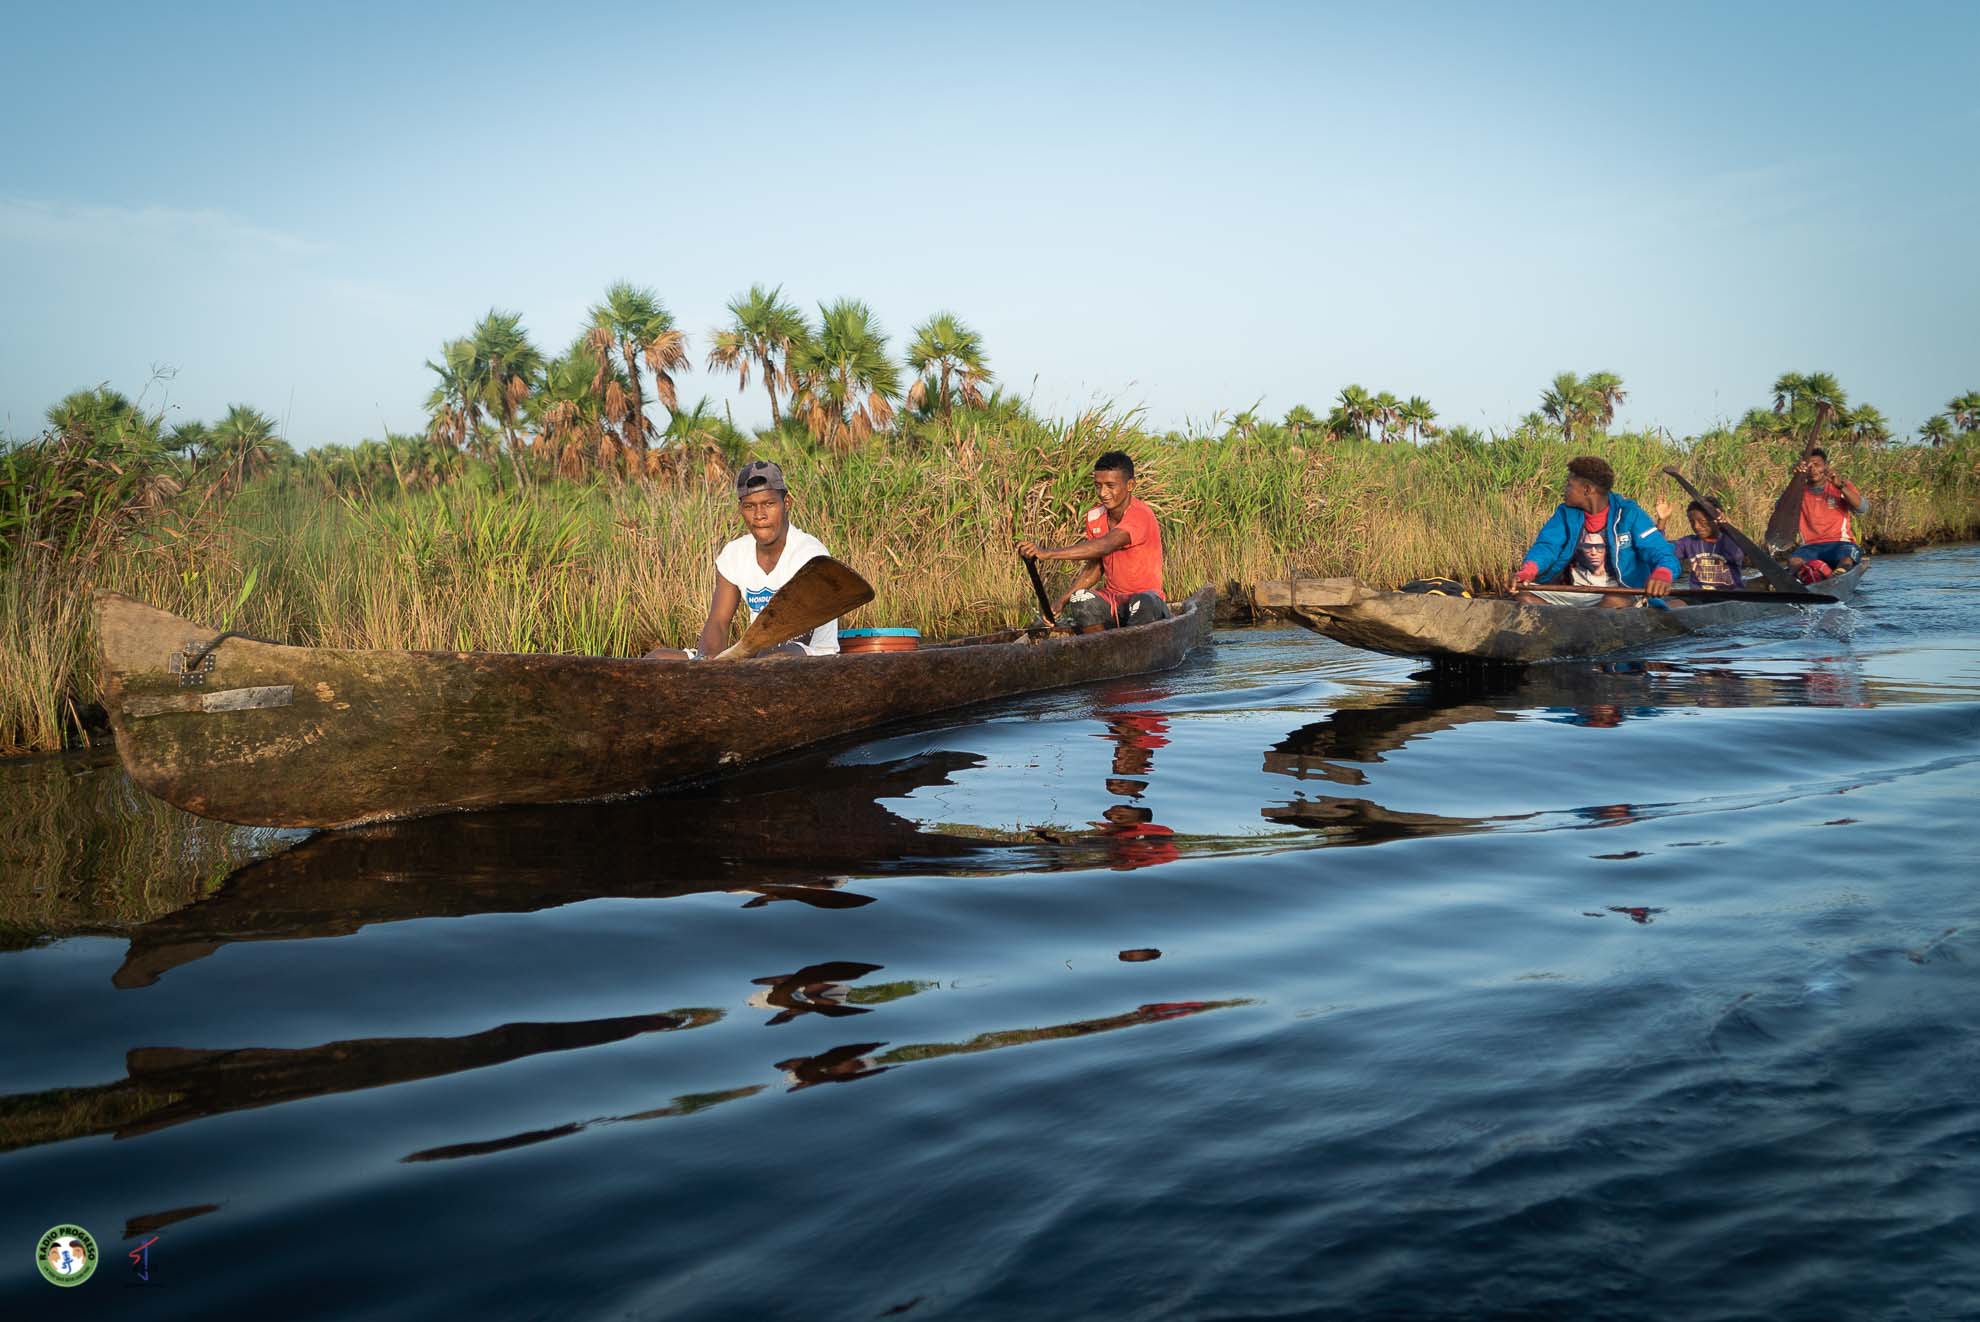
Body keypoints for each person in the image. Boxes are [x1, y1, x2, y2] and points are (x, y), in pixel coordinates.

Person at [647, 459, 840, 660]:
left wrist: (748, 657)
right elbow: (718, 621)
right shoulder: (734, 553)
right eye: (750, 506)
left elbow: (802, 632)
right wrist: (705, 660)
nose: (759, 515)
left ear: (787, 503)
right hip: (756, 652)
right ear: (741, 509)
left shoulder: (808, 553)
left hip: (808, 652)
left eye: (769, 504)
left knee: (771, 656)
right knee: (656, 658)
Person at [1015, 450, 1168, 632]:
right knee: (1079, 598)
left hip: (1147, 602)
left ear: (1130, 485)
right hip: (1113, 600)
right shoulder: (1095, 516)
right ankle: (1100, 649)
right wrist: (1061, 602)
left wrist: (1047, 553)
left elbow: (1104, 545)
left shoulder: (1140, 515)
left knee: (1144, 601)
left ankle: (1132, 651)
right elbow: (1095, 568)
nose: (1103, 493)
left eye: (1111, 486)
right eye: (1098, 485)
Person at [1514, 455, 1679, 607]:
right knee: (1524, 597)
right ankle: (1568, 628)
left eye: (1569, 485)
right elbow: (1547, 546)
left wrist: (1662, 574)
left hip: (1623, 592)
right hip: (1577, 592)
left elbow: (1661, 551)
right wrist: (1528, 571)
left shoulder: (1630, 513)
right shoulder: (1564, 513)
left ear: (1587, 489)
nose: (1564, 489)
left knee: (1614, 602)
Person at [1787, 448, 1867, 573]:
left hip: (1840, 543)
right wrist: (1795, 480)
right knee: (1794, 562)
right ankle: (1798, 579)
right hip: (1810, 546)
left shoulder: (1841, 485)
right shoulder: (1798, 490)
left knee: (1846, 559)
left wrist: (1840, 486)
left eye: (1817, 465)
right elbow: (1781, 510)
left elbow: (1862, 508)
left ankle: (1839, 575)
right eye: (1808, 466)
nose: (1813, 469)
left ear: (1826, 467)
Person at [1654, 496, 1748, 591]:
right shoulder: (1689, 543)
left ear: (1716, 519)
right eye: (1692, 521)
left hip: (1730, 598)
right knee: (1672, 604)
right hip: (1698, 597)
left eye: (1702, 521)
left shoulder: (1731, 540)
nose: (1696, 526)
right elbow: (1660, 551)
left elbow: (1737, 551)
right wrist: (1662, 521)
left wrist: (1725, 525)